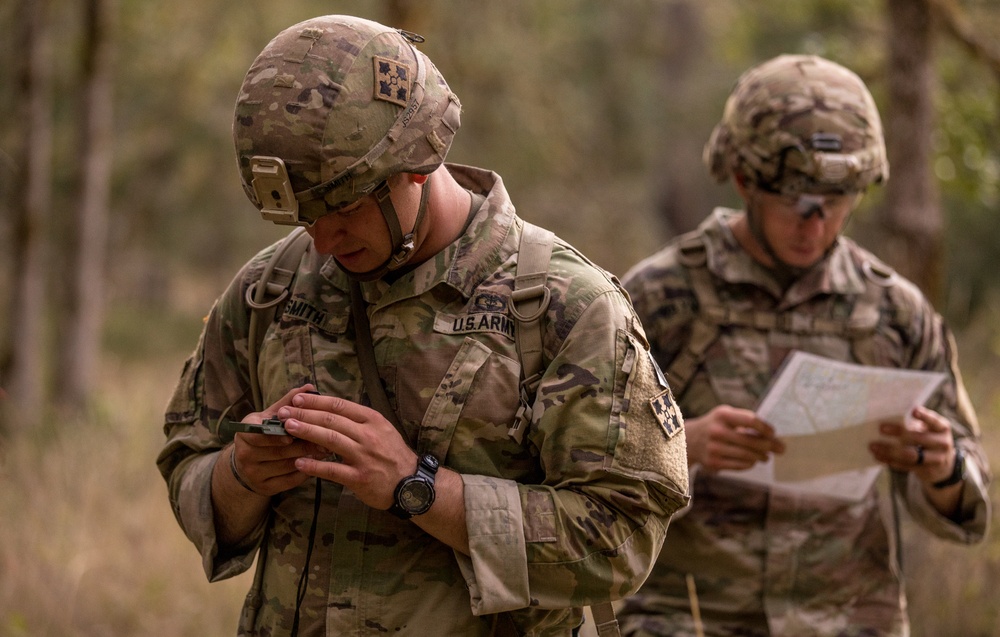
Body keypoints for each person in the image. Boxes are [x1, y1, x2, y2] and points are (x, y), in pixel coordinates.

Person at [157, 14, 690, 637]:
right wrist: (242, 475)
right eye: (304, 217)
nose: (323, 243)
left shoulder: (565, 307)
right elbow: (187, 460)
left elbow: (619, 540)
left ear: (419, 163)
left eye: (345, 210)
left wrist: (420, 489)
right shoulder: (268, 291)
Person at [617, 54, 991, 637]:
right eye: (796, 203)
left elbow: (969, 507)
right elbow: (579, 468)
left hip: (850, 619)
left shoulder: (893, 314)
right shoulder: (659, 299)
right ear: (744, 180)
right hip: (685, 618)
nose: (814, 225)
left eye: (837, 203)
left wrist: (940, 467)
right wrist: (682, 446)